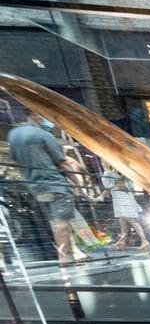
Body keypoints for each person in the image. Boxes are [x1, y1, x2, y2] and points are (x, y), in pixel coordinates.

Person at [7, 110, 88, 263]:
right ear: (35, 114)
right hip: (54, 184)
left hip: (34, 186)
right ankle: (64, 257)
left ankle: (71, 253)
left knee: (55, 220)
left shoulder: (13, 134)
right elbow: (61, 163)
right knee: (62, 220)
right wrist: (78, 184)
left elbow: (15, 162)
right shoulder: (44, 135)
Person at [102, 166, 150, 253]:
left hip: (124, 202)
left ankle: (145, 241)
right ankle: (122, 242)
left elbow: (111, 188)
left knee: (133, 222)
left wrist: (100, 197)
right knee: (124, 223)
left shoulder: (113, 176)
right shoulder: (119, 176)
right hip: (122, 201)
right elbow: (109, 189)